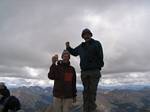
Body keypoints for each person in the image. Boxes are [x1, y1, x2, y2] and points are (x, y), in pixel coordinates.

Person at [66, 28, 104, 112]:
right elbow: (74, 52)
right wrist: (68, 47)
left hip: (94, 72)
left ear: (91, 35)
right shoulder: (81, 47)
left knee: (92, 92)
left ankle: (91, 110)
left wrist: (98, 67)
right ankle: (86, 110)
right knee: (86, 92)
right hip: (84, 73)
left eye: (88, 34)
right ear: (83, 36)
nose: (86, 35)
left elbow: (101, 56)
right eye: (84, 34)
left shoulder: (96, 44)